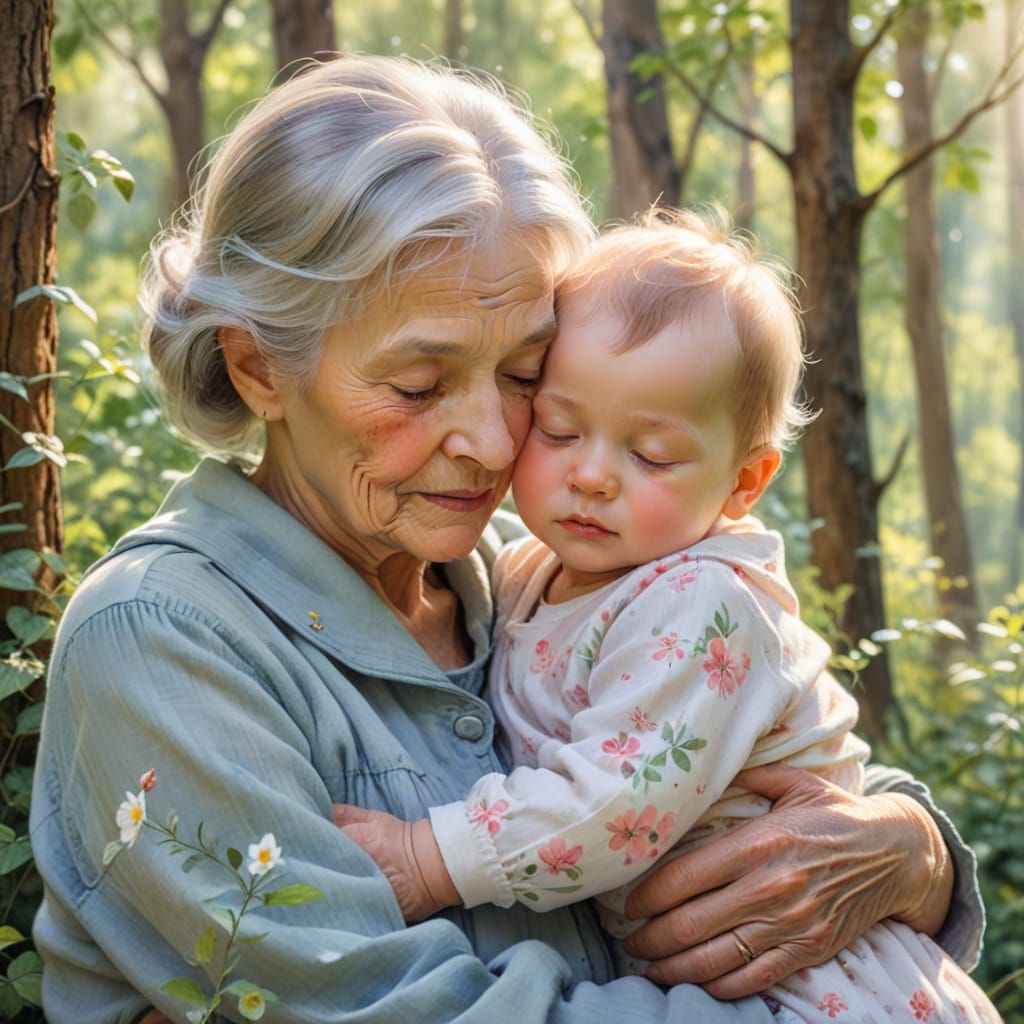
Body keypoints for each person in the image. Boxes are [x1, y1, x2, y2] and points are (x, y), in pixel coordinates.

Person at [28, 56, 983, 1024]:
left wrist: (914, 851)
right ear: (258, 367)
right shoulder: (163, 638)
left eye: (527, 374)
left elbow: (763, 743)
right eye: (416, 386)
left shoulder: (519, 573)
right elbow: (400, 1008)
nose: (492, 443)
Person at [333, 211, 998, 1023]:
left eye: (649, 455)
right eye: (560, 427)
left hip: (824, 985)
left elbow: (615, 804)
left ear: (743, 483)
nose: (592, 476)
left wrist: (426, 860)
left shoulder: (700, 604)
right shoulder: (527, 568)